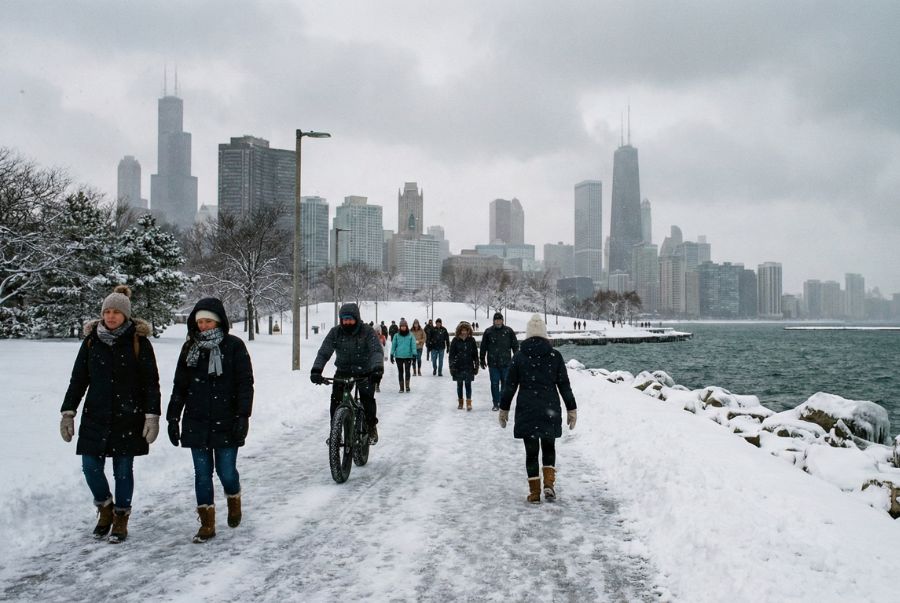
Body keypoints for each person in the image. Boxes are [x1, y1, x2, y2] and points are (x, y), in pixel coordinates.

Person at [60, 285, 161, 543]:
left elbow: (151, 382)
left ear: (125, 315)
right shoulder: (91, 341)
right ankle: (105, 508)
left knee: (123, 470)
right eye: (107, 312)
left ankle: (121, 517)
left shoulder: (139, 342)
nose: (111, 316)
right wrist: (68, 412)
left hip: (129, 416)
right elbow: (78, 379)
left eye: (116, 312)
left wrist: (152, 416)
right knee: (90, 467)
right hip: (96, 415)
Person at [167, 297, 254, 543]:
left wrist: (243, 416)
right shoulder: (190, 348)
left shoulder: (234, 346)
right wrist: (173, 417)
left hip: (227, 420)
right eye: (200, 322)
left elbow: (245, 384)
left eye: (208, 321)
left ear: (219, 322)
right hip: (196, 421)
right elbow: (180, 386)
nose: (203, 326)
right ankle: (207, 523)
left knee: (226, 472)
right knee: (202, 474)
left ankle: (233, 497)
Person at [498, 314, 577, 504]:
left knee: (531, 452)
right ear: (544, 334)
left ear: (528, 334)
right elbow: (564, 386)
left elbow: (510, 386)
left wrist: (504, 409)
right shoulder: (554, 356)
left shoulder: (519, 357)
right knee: (549, 447)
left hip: (527, 409)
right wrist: (571, 409)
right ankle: (549, 483)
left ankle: (534, 493)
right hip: (549, 408)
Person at [310, 303, 384, 443]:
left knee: (367, 399)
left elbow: (376, 351)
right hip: (343, 371)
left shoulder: (367, 331)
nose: (347, 322)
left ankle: (371, 426)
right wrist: (316, 370)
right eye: (344, 319)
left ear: (356, 318)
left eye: (350, 319)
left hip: (365, 371)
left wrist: (377, 368)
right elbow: (324, 352)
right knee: (336, 401)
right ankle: (335, 432)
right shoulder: (335, 332)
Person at [480, 311, 519, 411]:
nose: (498, 321)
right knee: (494, 383)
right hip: (493, 363)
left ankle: (502, 401)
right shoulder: (488, 332)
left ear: (502, 320)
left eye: (499, 320)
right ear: (493, 321)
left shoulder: (509, 331)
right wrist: (482, 359)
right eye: (496, 320)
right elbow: (483, 346)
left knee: (505, 384)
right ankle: (496, 403)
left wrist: (516, 358)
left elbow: (515, 346)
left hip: (506, 363)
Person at [449, 321, 479, 410]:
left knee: (468, 384)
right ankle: (460, 402)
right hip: (458, 366)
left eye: (465, 330)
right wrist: (451, 366)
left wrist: (476, 365)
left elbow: (475, 354)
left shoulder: (471, 340)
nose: (464, 332)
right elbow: (451, 355)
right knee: (459, 385)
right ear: (459, 331)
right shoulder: (455, 340)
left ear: (468, 331)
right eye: (462, 330)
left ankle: (469, 402)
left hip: (468, 365)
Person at [390, 318, 417, 393]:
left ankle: (407, 386)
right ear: (400, 327)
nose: (403, 327)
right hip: (399, 356)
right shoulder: (396, 336)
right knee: (400, 372)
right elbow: (393, 346)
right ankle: (401, 388)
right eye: (402, 326)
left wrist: (414, 354)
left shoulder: (411, 335)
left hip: (408, 356)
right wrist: (391, 354)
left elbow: (413, 345)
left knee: (407, 371)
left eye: (404, 326)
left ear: (406, 326)